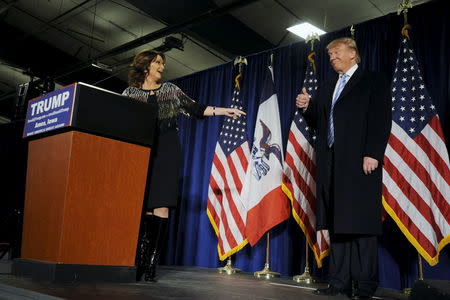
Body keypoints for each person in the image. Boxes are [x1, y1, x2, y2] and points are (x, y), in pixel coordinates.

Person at [123, 50, 245, 282]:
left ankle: (150, 265)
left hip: (167, 153)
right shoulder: (130, 93)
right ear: (145, 66)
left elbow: (196, 108)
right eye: (157, 62)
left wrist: (223, 111)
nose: (162, 67)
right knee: (145, 207)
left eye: (163, 63)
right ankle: (139, 259)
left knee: (161, 206)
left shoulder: (171, 90)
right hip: (140, 152)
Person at [296, 37, 391, 299]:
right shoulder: (328, 86)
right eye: (329, 55)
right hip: (331, 163)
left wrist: (372, 153)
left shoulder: (373, 80)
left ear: (353, 54)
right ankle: (339, 282)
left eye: (336, 52)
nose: (332, 58)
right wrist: (307, 107)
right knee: (338, 225)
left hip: (360, 163)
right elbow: (320, 121)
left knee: (361, 225)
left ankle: (364, 286)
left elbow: (381, 119)